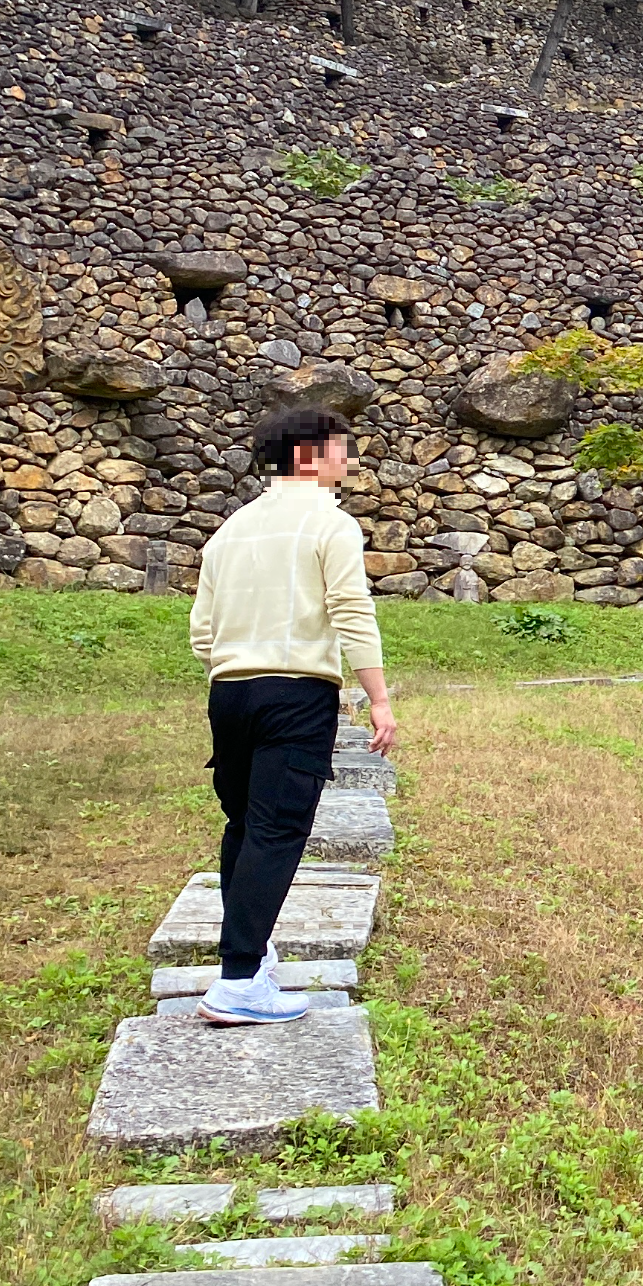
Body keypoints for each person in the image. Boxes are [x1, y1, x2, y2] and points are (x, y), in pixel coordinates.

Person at [186, 405, 396, 1026]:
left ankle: (248, 955)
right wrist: (377, 697)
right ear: (307, 455)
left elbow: (203, 630)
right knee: (277, 831)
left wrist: (233, 669)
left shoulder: (230, 530)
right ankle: (240, 983)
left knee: (245, 826)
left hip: (230, 692)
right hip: (296, 694)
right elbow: (351, 611)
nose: (348, 459)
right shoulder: (329, 525)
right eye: (339, 447)